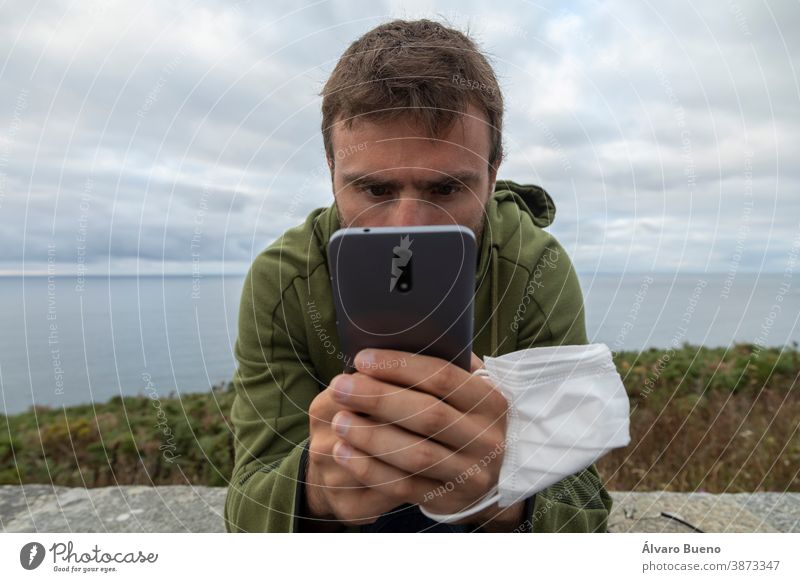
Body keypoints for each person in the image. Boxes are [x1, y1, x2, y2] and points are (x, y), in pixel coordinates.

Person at [224, 18, 613, 533]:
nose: (406, 231)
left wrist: (500, 497)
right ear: (330, 168)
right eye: (374, 190)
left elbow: (583, 504)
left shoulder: (537, 271)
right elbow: (248, 504)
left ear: (493, 174)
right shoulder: (282, 282)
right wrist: (314, 488)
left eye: (447, 189)